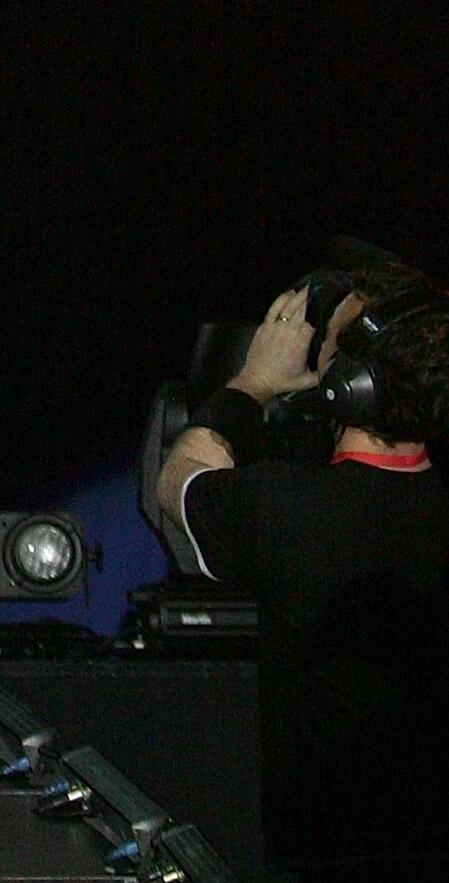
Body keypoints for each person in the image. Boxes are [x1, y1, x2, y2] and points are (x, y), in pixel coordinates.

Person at [155, 261, 449, 875]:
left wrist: (252, 383)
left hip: (318, 855)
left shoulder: (289, 509)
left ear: (352, 384)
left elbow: (179, 482)